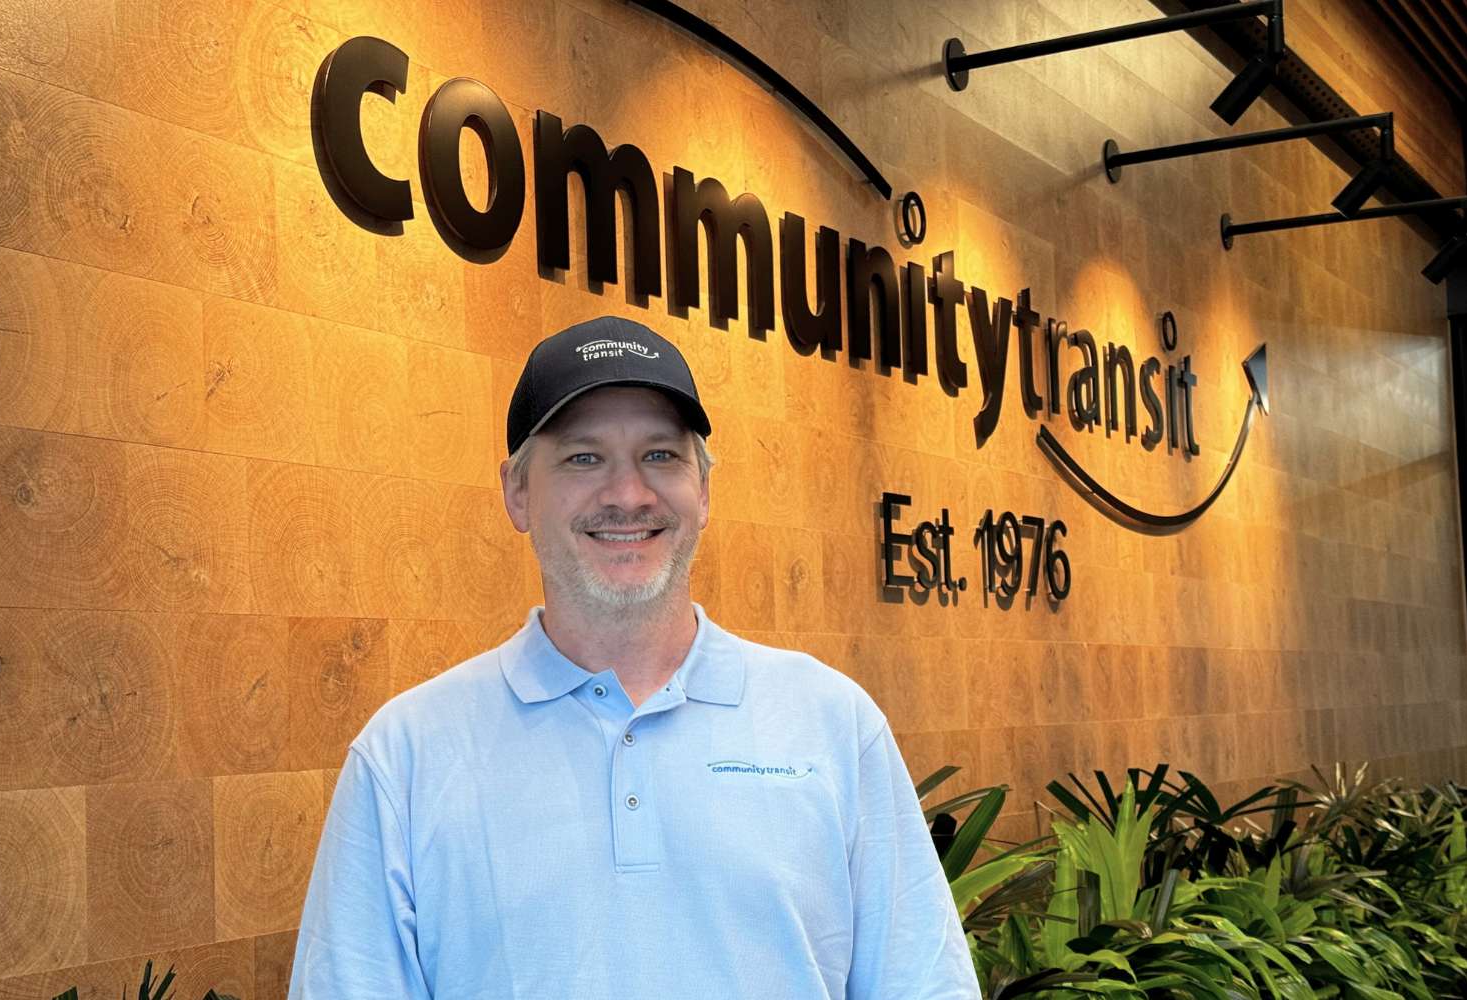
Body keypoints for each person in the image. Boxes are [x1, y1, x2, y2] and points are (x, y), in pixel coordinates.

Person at [288, 315, 982, 999]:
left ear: (703, 491)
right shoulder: (406, 758)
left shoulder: (834, 724)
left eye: (660, 455)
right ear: (517, 491)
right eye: (584, 457)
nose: (627, 494)